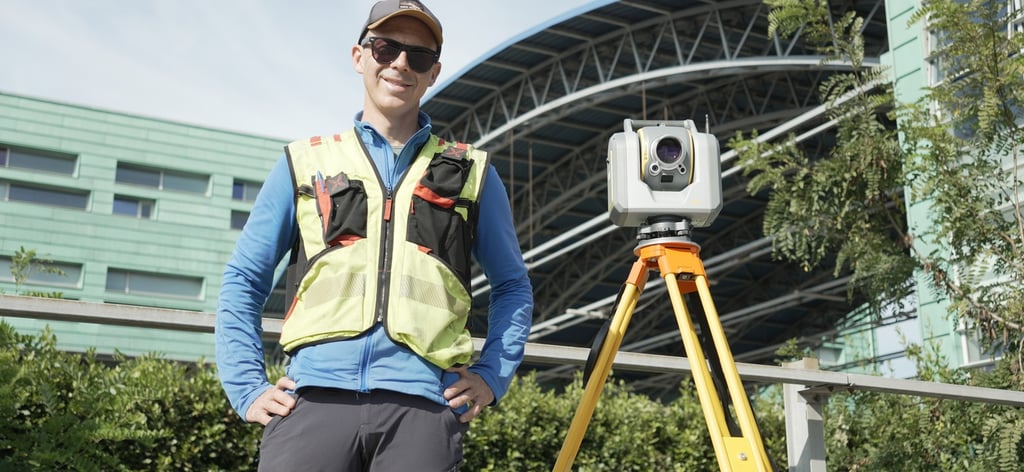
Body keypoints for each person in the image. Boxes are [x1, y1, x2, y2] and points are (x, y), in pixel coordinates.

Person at [214, 1, 534, 470]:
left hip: (424, 410)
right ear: (359, 56)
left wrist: (491, 376)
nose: (400, 63)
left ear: (433, 73)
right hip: (311, 405)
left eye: (418, 57)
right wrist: (246, 387)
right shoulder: (304, 163)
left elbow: (512, 286)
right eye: (385, 48)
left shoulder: (473, 173)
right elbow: (243, 278)